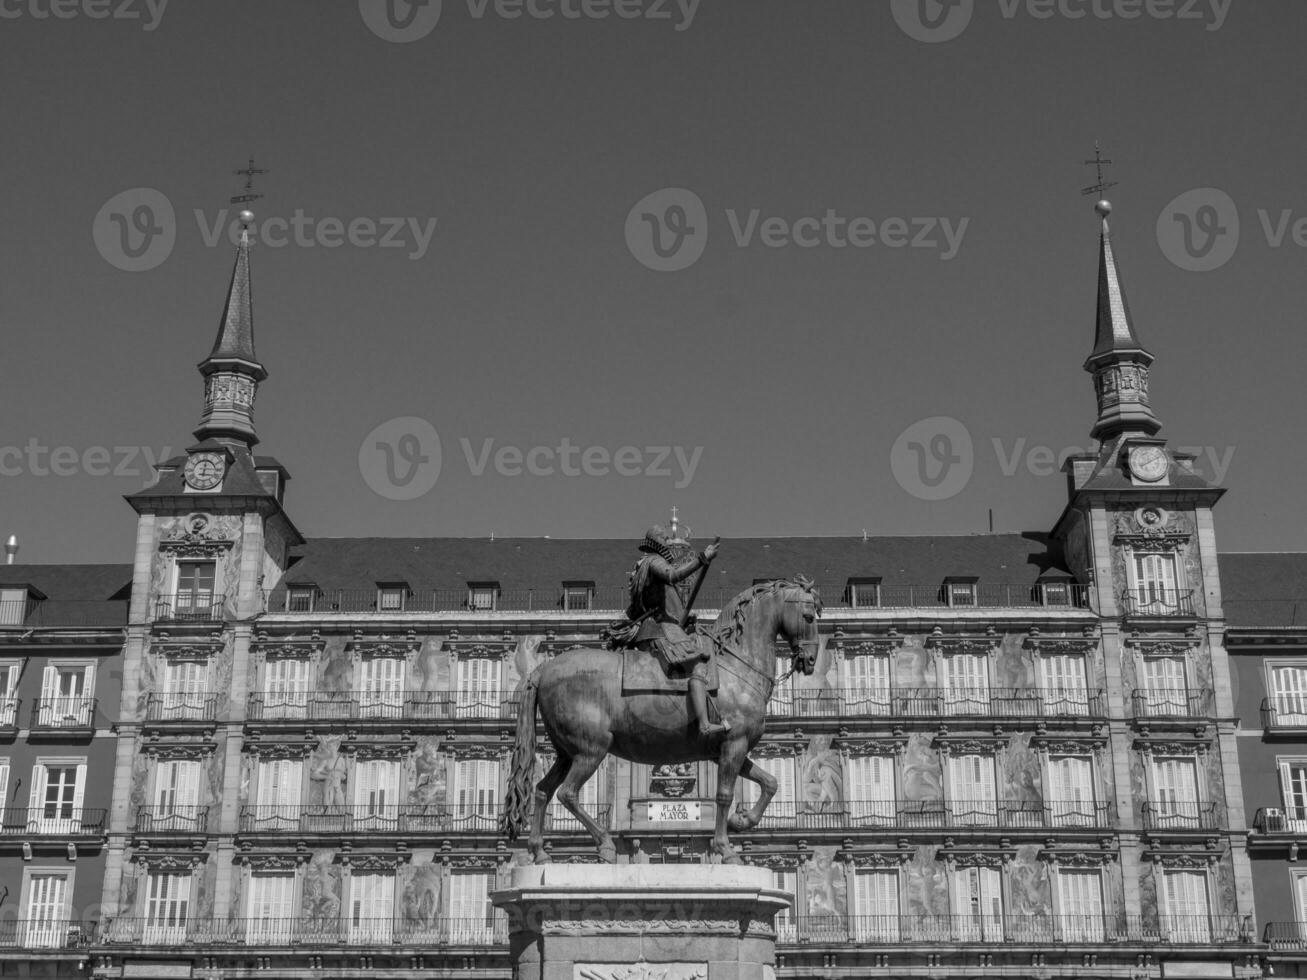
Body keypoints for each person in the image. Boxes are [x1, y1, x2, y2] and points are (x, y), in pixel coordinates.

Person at [625, 524, 729, 739]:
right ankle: (704, 725)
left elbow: (663, 601)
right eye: (664, 537)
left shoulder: (645, 564)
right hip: (660, 630)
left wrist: (683, 617)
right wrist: (702, 558)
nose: (667, 540)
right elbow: (673, 576)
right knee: (699, 665)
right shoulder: (654, 561)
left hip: (664, 626)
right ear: (656, 541)